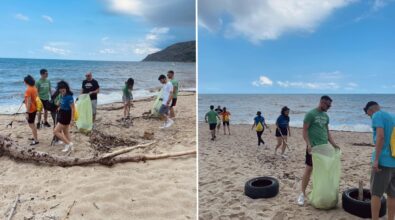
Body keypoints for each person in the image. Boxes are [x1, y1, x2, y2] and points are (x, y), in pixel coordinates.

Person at [297, 95, 340, 206]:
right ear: (322, 102)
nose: (329, 107)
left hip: (324, 147)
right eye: (328, 105)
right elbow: (305, 131)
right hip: (313, 148)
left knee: (324, 171)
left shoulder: (326, 116)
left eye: (330, 106)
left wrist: (334, 144)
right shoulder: (310, 114)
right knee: (309, 169)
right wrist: (308, 144)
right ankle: (302, 194)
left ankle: (319, 193)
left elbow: (327, 132)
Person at [364, 101, 395, 220]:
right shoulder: (393, 116)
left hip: (383, 162)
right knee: (392, 195)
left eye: (369, 115)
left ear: (370, 110)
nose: (370, 117)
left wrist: (376, 159)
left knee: (376, 194)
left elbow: (380, 136)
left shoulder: (377, 115)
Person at [53, 81, 75, 153]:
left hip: (66, 115)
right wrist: (59, 106)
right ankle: (69, 146)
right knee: (66, 132)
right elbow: (62, 104)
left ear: (66, 88)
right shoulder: (62, 95)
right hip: (62, 113)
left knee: (55, 131)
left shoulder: (69, 97)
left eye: (63, 88)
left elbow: (73, 108)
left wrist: (72, 119)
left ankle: (69, 144)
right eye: (60, 88)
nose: (62, 90)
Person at [24, 75, 39, 145]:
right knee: (32, 124)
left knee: (31, 125)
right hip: (35, 108)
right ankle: (34, 136)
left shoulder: (28, 90)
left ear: (26, 82)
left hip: (31, 110)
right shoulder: (34, 88)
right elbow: (34, 98)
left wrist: (27, 112)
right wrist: (25, 100)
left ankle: (36, 140)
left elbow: (29, 102)